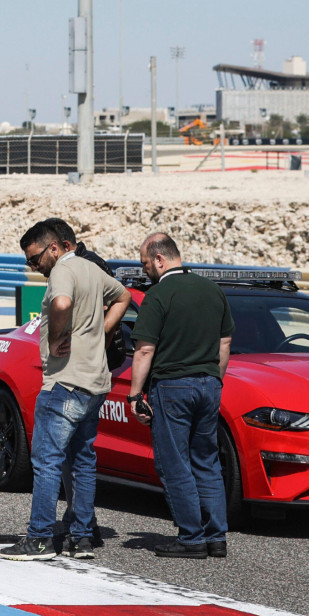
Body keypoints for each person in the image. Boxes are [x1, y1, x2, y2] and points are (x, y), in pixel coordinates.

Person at [0, 220, 131, 562]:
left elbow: (60, 305)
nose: (33, 266)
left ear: (55, 248)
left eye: (35, 258)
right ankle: (82, 537)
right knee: (83, 460)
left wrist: (58, 339)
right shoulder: (91, 269)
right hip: (95, 382)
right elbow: (124, 296)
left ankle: (40, 538)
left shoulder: (62, 271)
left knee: (46, 462)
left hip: (64, 382)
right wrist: (99, 333)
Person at [127, 231, 234, 559]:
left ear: (160, 259)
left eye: (146, 263)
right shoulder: (212, 290)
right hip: (209, 384)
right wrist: (214, 379)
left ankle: (191, 537)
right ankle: (216, 537)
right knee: (207, 460)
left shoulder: (158, 295)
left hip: (173, 385)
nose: (145, 270)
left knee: (174, 462)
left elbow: (144, 350)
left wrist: (134, 395)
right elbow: (225, 343)